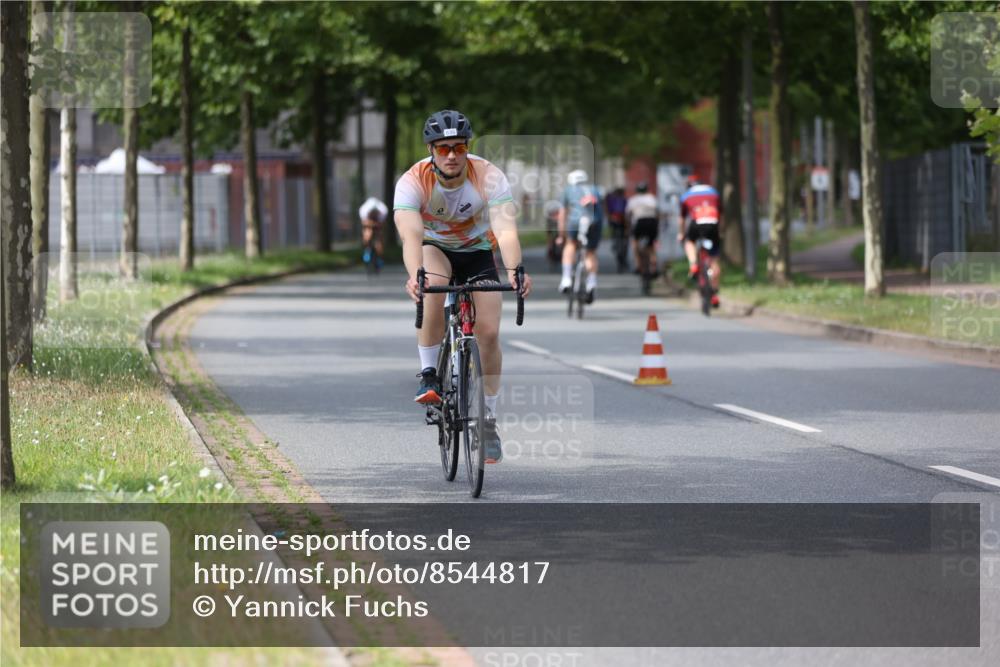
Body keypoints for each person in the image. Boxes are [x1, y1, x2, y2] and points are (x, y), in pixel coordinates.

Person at [394, 109, 533, 464]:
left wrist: (515, 269)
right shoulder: (413, 181)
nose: (452, 155)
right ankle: (429, 376)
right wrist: (415, 275)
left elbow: (505, 229)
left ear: (467, 147)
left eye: (458, 147)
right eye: (443, 149)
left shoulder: (488, 175)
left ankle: (487, 420)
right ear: (432, 150)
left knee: (488, 333)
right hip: (434, 248)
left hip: (478, 251)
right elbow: (410, 236)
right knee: (432, 284)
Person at [557, 169, 603, 303]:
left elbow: (562, 214)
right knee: (590, 252)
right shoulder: (595, 189)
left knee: (570, 244)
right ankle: (591, 282)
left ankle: (566, 279)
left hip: (576, 222)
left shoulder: (568, 190)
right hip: (594, 222)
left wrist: (561, 235)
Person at [678, 174, 722, 307]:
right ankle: (714, 293)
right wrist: (720, 231)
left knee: (689, 242)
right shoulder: (714, 192)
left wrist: (681, 234)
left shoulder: (686, 196)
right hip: (713, 224)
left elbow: (682, 219)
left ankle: (693, 265)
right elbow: (721, 213)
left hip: (696, 224)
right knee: (714, 259)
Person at [625, 181, 660, 279]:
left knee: (635, 243)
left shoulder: (633, 200)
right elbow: (657, 213)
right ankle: (654, 267)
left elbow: (628, 215)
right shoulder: (652, 198)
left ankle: (638, 265)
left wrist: (628, 228)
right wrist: (657, 226)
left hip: (640, 222)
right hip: (652, 222)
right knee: (651, 245)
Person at [359, 196, 388, 270]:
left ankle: (380, 255)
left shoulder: (383, 211)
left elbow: (382, 224)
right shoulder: (363, 211)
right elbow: (364, 223)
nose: (373, 215)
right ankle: (367, 248)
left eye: (374, 214)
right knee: (367, 233)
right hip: (368, 222)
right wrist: (370, 225)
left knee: (379, 237)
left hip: (378, 222)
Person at [605, 187, 629, 272]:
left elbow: (607, 210)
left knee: (617, 240)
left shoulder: (612, 200)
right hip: (622, 222)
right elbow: (627, 213)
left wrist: (609, 219)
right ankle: (622, 257)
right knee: (624, 242)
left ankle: (616, 248)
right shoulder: (624, 200)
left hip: (614, 222)